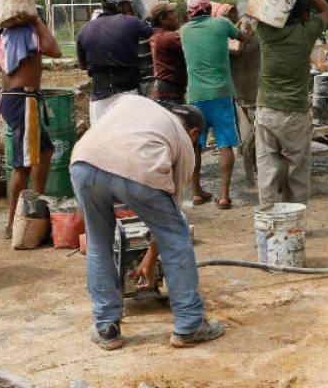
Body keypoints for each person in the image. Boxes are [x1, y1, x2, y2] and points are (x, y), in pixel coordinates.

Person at [69, 97, 224, 350]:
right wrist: (151, 259)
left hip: (84, 162)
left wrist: (150, 260)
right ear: (194, 132)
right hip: (137, 167)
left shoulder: (133, 102)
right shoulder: (183, 142)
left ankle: (106, 328)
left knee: (98, 243)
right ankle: (189, 325)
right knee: (177, 240)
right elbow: (171, 224)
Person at [254, 0, 328, 207]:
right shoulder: (307, 32)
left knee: (267, 170)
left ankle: (268, 218)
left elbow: (256, 8)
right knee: (297, 172)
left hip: (267, 111)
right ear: (305, 15)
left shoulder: (266, 32)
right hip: (296, 114)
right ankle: (295, 220)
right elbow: (327, 11)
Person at [180, 0, 253, 209]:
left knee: (195, 145)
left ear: (189, 13)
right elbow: (244, 38)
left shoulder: (184, 31)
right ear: (210, 9)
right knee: (225, 143)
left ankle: (196, 192)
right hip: (221, 94)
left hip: (196, 97)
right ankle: (223, 196)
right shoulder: (221, 24)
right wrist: (245, 23)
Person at [0, 15, 62, 239]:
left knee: (45, 151)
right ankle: (13, 223)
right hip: (22, 99)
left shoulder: (7, 33)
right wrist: (37, 22)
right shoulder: (24, 31)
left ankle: (36, 207)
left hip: (19, 99)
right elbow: (55, 50)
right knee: (22, 166)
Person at [77, 0, 153, 124]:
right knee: (131, 133)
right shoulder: (132, 22)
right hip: (128, 93)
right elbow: (152, 32)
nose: (128, 8)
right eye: (126, 5)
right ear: (119, 6)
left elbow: (83, 66)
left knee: (101, 134)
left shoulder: (84, 29)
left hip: (99, 96)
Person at [212, 2, 262, 187]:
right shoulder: (227, 37)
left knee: (255, 140)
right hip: (243, 96)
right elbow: (236, 48)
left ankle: (257, 176)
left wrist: (243, 27)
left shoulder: (246, 31)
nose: (232, 17)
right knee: (251, 140)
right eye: (228, 15)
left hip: (256, 95)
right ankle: (253, 176)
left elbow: (240, 45)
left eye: (233, 13)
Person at [148, 1, 187, 106]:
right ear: (162, 19)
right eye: (171, 13)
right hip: (171, 92)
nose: (176, 15)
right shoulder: (169, 37)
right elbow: (194, 47)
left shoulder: (156, 35)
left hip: (164, 89)